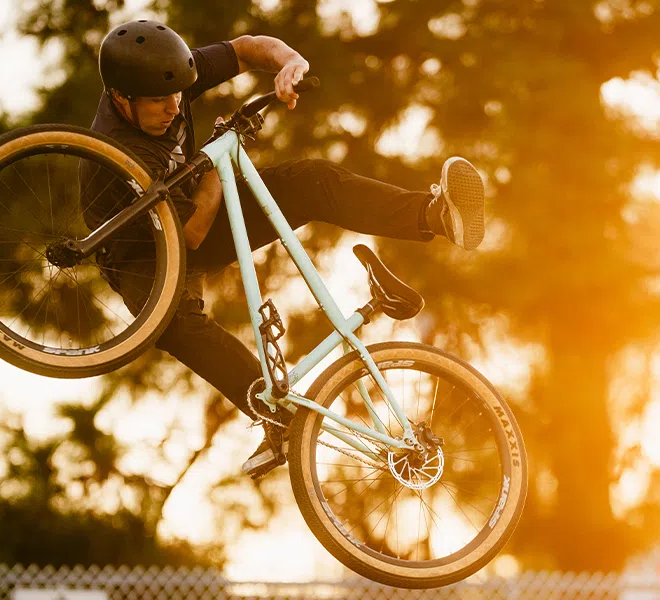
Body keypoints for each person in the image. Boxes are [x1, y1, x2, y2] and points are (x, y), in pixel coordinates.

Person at [82, 19, 487, 480]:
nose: (175, 108)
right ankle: (279, 419)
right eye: (159, 102)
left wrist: (289, 63)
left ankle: (432, 215)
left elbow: (249, 48)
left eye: (178, 95)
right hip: (142, 253)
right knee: (177, 326)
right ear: (121, 98)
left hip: (191, 209)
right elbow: (190, 235)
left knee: (311, 181)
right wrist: (215, 162)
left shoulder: (167, 74)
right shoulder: (122, 148)